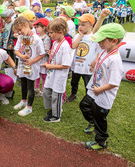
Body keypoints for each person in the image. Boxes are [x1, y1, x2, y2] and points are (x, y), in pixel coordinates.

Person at [80, 10, 125, 150]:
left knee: (100, 119)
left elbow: (114, 83)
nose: (98, 43)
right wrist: (94, 61)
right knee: (84, 105)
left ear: (114, 41)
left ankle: (101, 141)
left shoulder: (115, 60)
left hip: (103, 95)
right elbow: (99, 51)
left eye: (101, 40)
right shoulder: (105, 49)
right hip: (94, 89)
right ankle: (92, 122)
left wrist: (99, 89)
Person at [42, 18, 73, 122]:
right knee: (46, 92)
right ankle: (54, 109)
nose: (49, 35)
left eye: (51, 33)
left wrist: (51, 66)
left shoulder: (65, 46)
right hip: (52, 73)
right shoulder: (55, 43)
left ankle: (56, 116)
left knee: (56, 95)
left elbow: (66, 65)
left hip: (59, 75)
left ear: (60, 32)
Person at [13, 16, 45, 116]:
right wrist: (22, 56)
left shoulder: (36, 39)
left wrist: (32, 61)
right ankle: (23, 101)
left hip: (32, 67)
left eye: (20, 29)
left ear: (26, 25)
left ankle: (29, 107)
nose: (19, 32)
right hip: (22, 66)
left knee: (31, 87)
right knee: (23, 84)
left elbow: (42, 54)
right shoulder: (21, 38)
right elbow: (16, 50)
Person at [67, 14, 101, 102]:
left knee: (88, 84)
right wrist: (80, 36)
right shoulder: (77, 35)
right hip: (77, 65)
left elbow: (99, 51)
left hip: (88, 67)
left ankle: (88, 97)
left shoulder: (94, 37)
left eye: (83, 25)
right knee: (74, 82)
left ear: (91, 25)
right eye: (79, 25)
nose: (80, 27)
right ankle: (73, 94)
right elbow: (73, 46)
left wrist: (95, 61)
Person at [33, 18, 50, 97]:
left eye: (38, 27)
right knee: (37, 75)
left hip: (43, 60)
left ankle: (43, 90)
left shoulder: (46, 38)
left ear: (44, 27)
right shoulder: (37, 36)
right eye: (36, 27)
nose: (36, 29)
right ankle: (36, 89)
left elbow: (46, 50)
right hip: (38, 60)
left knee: (44, 75)